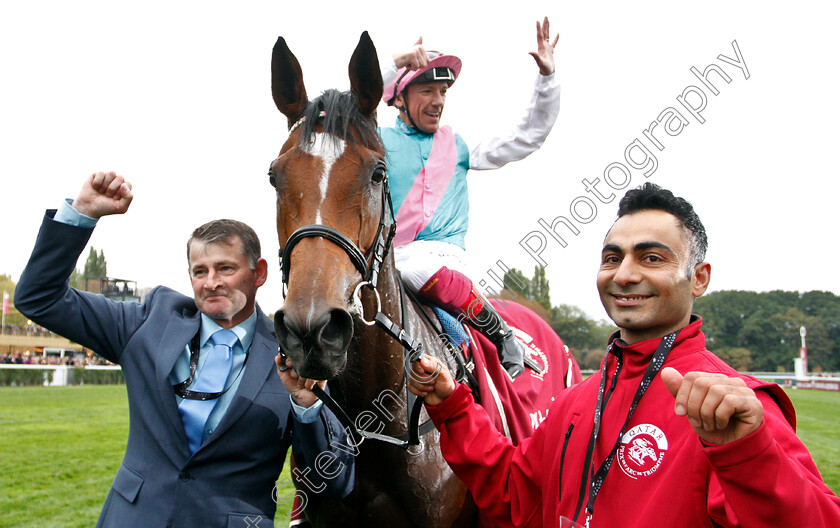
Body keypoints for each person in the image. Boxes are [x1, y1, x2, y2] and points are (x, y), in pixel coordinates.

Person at [408, 183, 840, 527]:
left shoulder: (730, 409)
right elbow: (514, 493)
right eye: (612, 258)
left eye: (651, 258)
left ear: (699, 279)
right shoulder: (577, 401)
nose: (625, 274)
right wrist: (453, 406)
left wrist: (748, 455)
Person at [15, 172, 355, 527]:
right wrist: (82, 214)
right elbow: (39, 298)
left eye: (226, 268)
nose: (211, 283)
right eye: (199, 271)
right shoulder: (149, 321)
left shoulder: (295, 357)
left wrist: (307, 407)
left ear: (259, 273)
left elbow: (335, 481)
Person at [379, 17, 561, 379]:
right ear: (399, 97)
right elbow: (346, 109)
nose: (438, 100)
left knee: (411, 267)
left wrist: (547, 80)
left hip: (441, 261)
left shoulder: (460, 144)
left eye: (442, 92)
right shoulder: (377, 141)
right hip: (387, 261)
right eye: (427, 91)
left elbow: (529, 135)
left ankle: (501, 336)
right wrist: (395, 62)